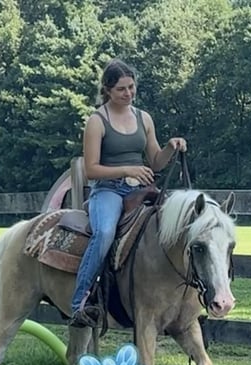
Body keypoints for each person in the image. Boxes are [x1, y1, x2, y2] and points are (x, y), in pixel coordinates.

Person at [69, 58, 187, 328]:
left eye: (131, 87)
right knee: (105, 233)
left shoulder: (144, 118)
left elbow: (155, 161)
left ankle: (182, 297)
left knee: (174, 224)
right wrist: (127, 170)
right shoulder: (97, 121)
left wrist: (170, 147)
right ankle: (79, 302)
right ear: (107, 90)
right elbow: (91, 170)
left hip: (141, 189)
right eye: (122, 89)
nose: (129, 93)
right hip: (107, 190)